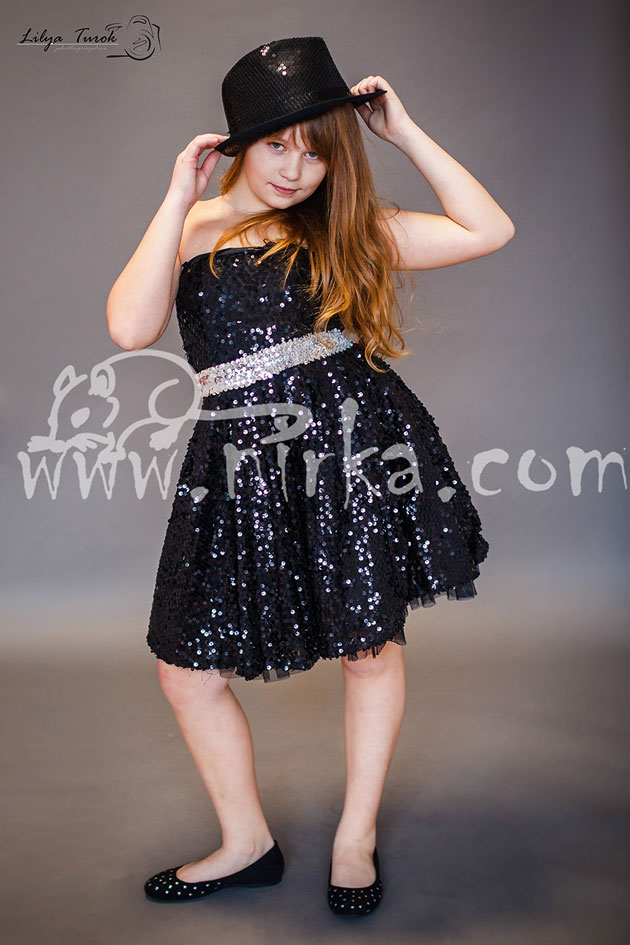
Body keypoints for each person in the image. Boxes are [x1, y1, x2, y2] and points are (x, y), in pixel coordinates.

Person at [106, 36, 514, 916]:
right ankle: (246, 842)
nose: (296, 168)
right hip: (239, 464)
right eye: (277, 145)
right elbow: (131, 329)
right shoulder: (192, 227)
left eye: (317, 149)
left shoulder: (340, 227)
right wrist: (176, 198)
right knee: (186, 669)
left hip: (351, 448)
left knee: (370, 647)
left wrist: (404, 132)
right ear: (236, 147)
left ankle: (355, 836)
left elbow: (488, 229)